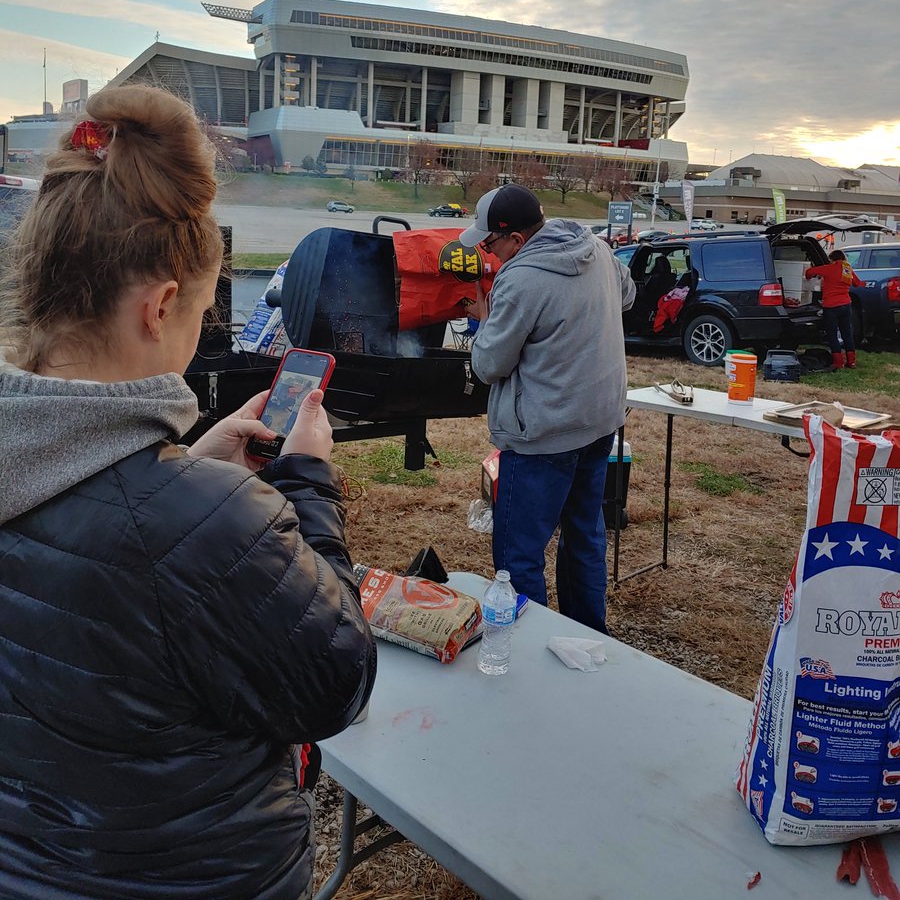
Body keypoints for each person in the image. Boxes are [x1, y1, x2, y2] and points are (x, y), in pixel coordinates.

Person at [0, 85, 376, 900]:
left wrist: (189, 466)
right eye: (201, 313)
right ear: (162, 305)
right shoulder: (203, 525)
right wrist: (308, 483)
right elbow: (335, 683)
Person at [461, 184, 636, 633]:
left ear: (516, 239)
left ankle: (528, 648)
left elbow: (488, 365)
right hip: (599, 423)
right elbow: (628, 294)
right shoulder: (597, 249)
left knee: (519, 554)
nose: (487, 254)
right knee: (584, 536)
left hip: (542, 436)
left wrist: (485, 318)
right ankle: (588, 636)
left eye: (489, 244)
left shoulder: (521, 278)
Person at [805, 249, 864, 369]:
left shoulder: (829, 268)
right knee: (847, 333)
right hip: (846, 305)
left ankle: (838, 362)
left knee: (832, 335)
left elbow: (809, 272)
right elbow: (857, 283)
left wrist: (810, 277)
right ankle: (851, 362)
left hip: (831, 306)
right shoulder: (847, 269)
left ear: (832, 259)